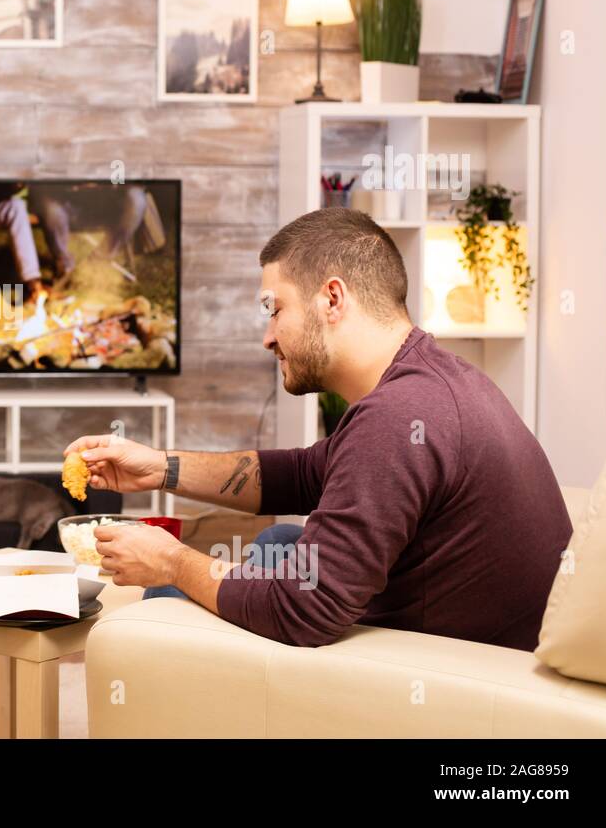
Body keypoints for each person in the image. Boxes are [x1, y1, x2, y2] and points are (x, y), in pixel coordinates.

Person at [65, 207, 572, 652]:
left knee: (171, 595)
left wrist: (173, 562)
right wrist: (160, 468)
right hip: (467, 631)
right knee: (282, 541)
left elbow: (303, 610)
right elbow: (306, 474)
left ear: (332, 298)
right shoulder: (425, 383)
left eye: (275, 309)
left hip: (455, 675)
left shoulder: (398, 418)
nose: (267, 338)